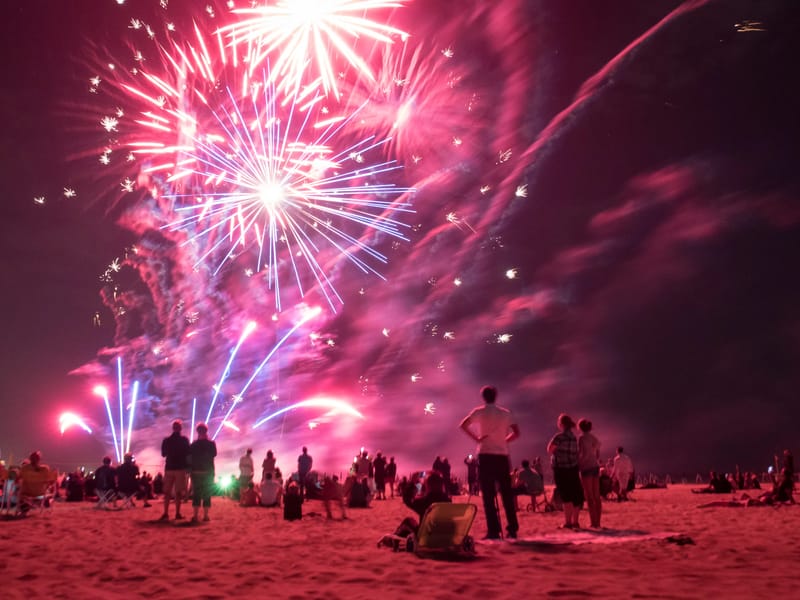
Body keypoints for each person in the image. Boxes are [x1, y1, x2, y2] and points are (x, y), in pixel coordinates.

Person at [459, 385, 520, 539]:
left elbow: (463, 425)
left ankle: (493, 530)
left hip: (485, 454)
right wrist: (504, 441)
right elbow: (516, 433)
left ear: (483, 397)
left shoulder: (479, 411)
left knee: (488, 494)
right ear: (495, 396)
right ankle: (512, 528)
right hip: (502, 455)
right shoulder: (505, 413)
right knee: (506, 493)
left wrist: (477, 439)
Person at [547, 413, 584, 529]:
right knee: (575, 495)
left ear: (561, 424)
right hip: (573, 468)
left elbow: (549, 449)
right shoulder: (574, 438)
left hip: (561, 469)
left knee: (566, 495)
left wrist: (558, 453)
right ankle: (575, 521)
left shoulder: (559, 437)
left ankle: (568, 522)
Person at [160, 419, 190, 521]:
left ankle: (165, 513)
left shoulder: (166, 440)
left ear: (173, 428)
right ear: (181, 428)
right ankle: (177, 513)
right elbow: (188, 454)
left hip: (169, 468)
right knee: (178, 493)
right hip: (180, 468)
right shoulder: (184, 440)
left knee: (167, 492)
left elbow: (163, 454)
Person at [189, 422, 217, 523]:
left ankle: (195, 516)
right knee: (207, 494)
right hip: (208, 471)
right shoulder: (211, 443)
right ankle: (206, 516)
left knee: (196, 494)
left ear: (197, 432)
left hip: (196, 472)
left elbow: (189, 458)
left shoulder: (193, 445)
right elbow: (214, 454)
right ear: (206, 431)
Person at [577, 419, 602, 528]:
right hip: (595, 466)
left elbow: (581, 453)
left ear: (580, 427)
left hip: (586, 467)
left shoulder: (581, 438)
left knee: (589, 496)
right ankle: (598, 522)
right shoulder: (594, 438)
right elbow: (597, 453)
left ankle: (593, 522)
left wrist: (578, 463)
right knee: (596, 496)